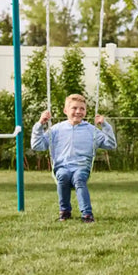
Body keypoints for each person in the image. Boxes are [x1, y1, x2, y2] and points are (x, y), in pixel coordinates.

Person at [31, 93, 117, 222]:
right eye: (74, 108)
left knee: (78, 179)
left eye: (82, 109)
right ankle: (64, 211)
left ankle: (87, 214)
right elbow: (37, 145)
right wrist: (40, 124)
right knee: (63, 177)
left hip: (82, 166)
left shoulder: (91, 130)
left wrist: (105, 125)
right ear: (66, 110)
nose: (78, 112)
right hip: (62, 166)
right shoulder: (56, 129)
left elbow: (111, 144)